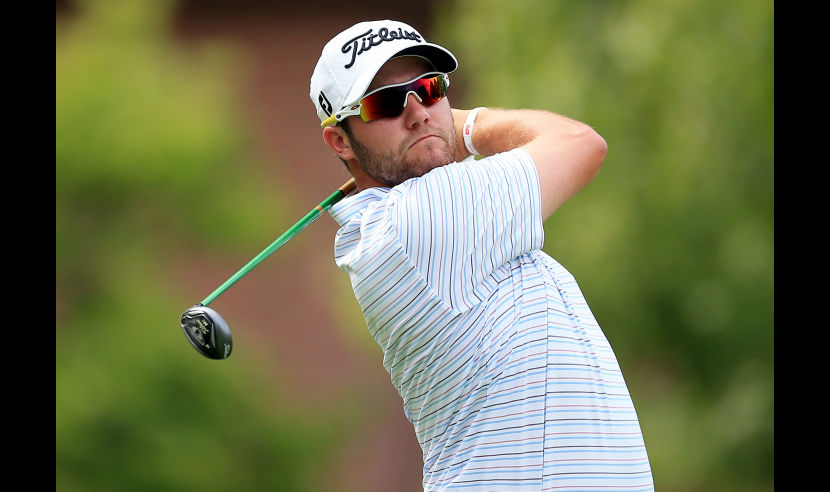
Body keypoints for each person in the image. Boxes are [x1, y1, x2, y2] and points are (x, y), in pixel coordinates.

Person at [309, 20, 654, 491]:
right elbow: (581, 145)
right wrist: (464, 124)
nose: (417, 114)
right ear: (339, 141)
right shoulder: (418, 220)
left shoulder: (405, 222)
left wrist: (427, 129)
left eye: (429, 89)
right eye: (385, 103)